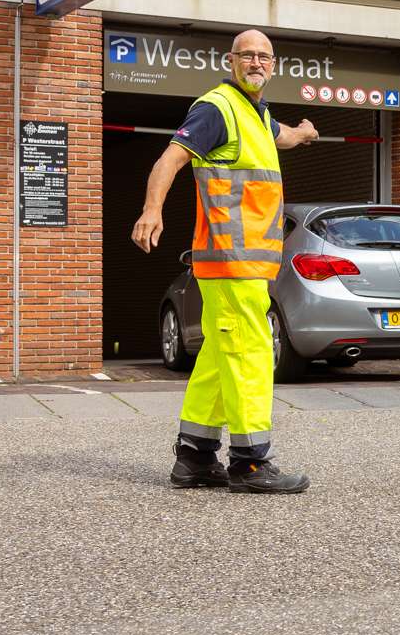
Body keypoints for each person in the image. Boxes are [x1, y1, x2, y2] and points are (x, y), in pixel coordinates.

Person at [130, 29, 320, 493]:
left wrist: (303, 133)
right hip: (232, 262)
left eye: (264, 57)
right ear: (231, 60)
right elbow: (169, 160)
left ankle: (194, 458)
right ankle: (250, 462)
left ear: (273, 65)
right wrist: (151, 210)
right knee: (251, 353)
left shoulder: (256, 114)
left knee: (218, 355)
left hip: (243, 263)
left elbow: (284, 136)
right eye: (248, 55)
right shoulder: (216, 109)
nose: (256, 62)